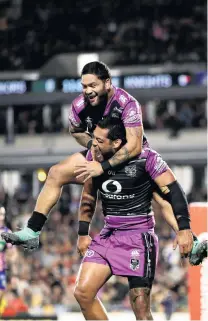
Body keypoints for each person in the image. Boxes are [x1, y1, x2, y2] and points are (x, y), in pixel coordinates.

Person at [1, 61, 149, 247]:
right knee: (56, 173)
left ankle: (189, 237)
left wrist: (102, 166)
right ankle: (32, 231)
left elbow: (135, 146)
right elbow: (75, 130)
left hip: (132, 163)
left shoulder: (127, 103)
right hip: (99, 158)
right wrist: (91, 145)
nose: (87, 91)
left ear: (108, 83)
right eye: (84, 86)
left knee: (163, 191)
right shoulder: (79, 105)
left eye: (93, 85)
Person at [71, 117, 196, 320]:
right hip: (108, 235)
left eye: (100, 141)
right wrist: (83, 232)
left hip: (138, 238)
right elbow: (88, 196)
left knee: (141, 311)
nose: (94, 144)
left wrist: (184, 228)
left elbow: (174, 191)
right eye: (93, 138)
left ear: (117, 143)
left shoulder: (146, 158)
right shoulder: (93, 157)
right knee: (82, 293)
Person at [0, 206, 17, 316]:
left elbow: (13, 251)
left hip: (1, 267)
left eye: (3, 215)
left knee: (1, 293)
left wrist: (10, 258)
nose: (1, 217)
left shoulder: (6, 232)